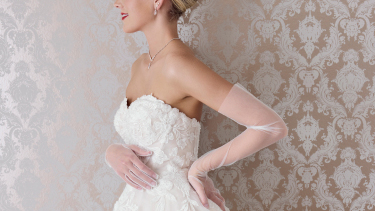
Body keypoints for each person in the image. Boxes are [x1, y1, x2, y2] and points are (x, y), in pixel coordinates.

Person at [105, 0, 289, 210]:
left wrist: (198, 169)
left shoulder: (178, 65)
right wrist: (113, 153)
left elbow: (271, 125)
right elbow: (143, 143)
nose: (116, 3)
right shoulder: (138, 66)